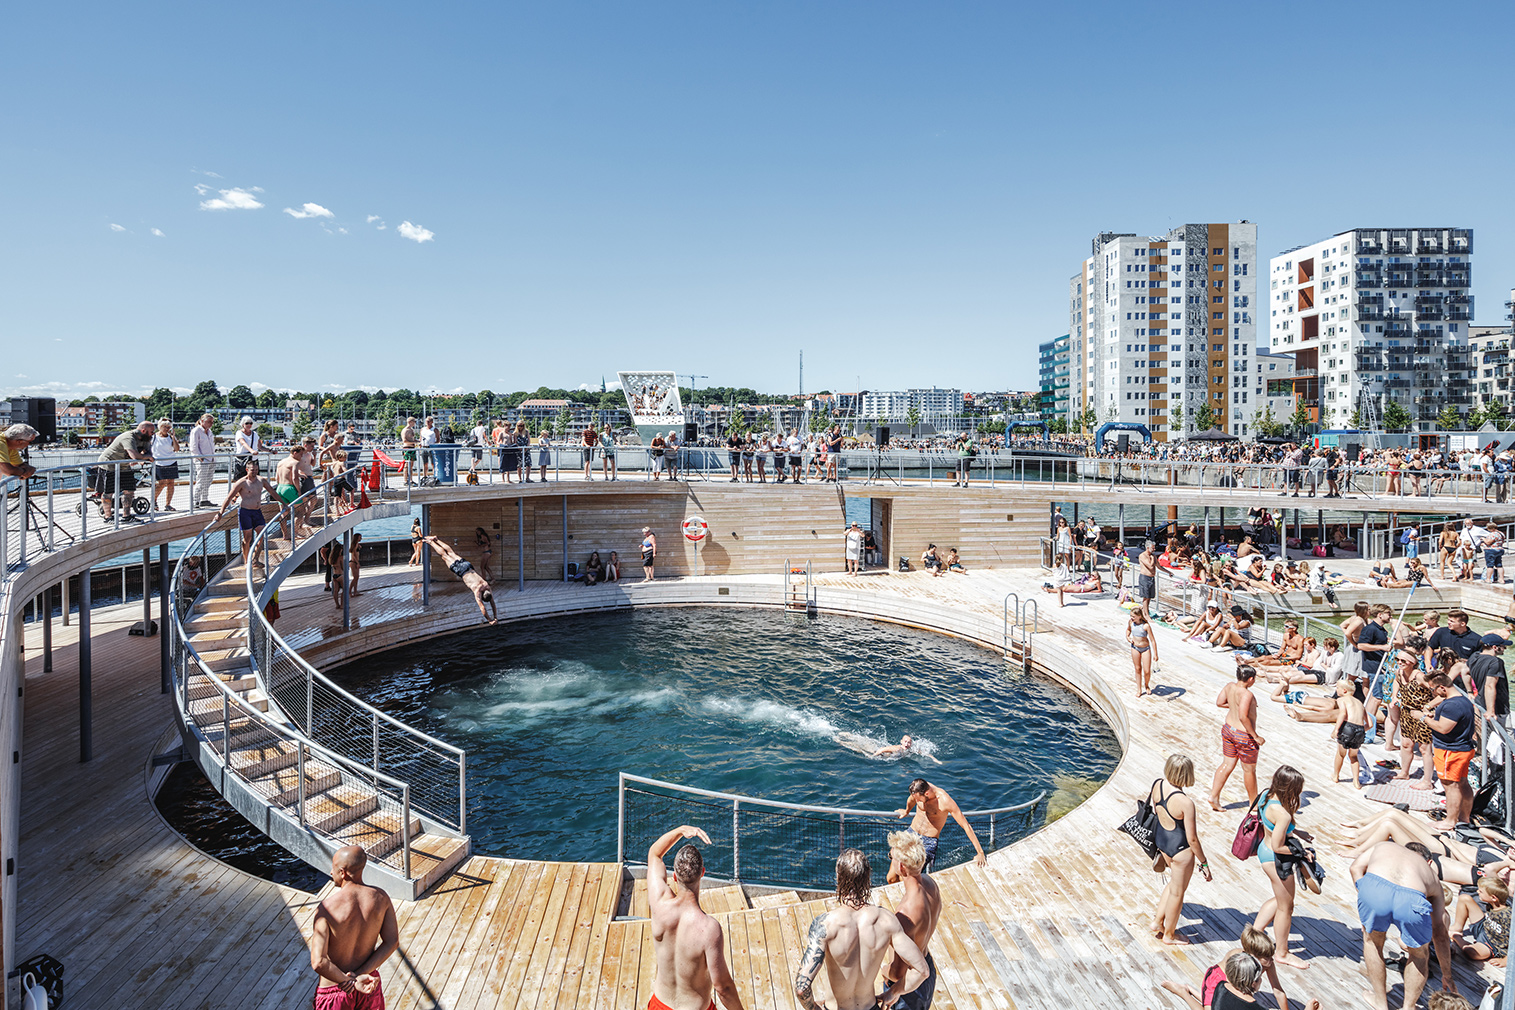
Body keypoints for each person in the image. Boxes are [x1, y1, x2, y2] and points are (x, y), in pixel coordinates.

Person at [793, 849, 927, 1010]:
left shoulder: (825, 925)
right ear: (868, 878)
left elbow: (802, 989)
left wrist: (814, 1008)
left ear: (838, 877)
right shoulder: (886, 920)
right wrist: (894, 991)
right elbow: (922, 971)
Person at [645, 824, 745, 1010]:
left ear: (674, 876)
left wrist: (680, 830)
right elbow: (723, 988)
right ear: (702, 873)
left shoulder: (659, 904)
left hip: (660, 1005)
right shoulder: (708, 929)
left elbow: (655, 855)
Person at [1351, 841, 1455, 1010]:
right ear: (1430, 862)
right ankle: (1408, 1007)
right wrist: (1447, 975)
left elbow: (1355, 868)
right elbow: (1440, 933)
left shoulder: (1384, 845)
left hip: (1375, 888)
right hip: (1412, 897)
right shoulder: (1431, 875)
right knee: (1420, 955)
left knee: (1373, 943)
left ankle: (1380, 1002)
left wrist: (1364, 893)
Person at [307, 846, 398, 1010]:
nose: (330, 872)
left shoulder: (326, 909)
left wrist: (347, 981)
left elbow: (318, 962)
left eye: (333, 868)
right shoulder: (381, 898)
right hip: (368, 983)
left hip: (335, 989)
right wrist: (359, 976)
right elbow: (392, 942)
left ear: (342, 872)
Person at [1148, 754, 1213, 946]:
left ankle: (1157, 921)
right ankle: (1169, 934)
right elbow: (1192, 839)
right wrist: (1204, 862)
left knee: (1173, 884)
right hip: (1180, 850)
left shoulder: (1157, 785)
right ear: (1187, 774)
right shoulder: (1185, 803)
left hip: (1163, 841)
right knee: (1178, 892)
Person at [1252, 764, 1311, 969]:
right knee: (1286, 906)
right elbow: (1278, 846)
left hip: (1263, 850)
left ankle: (1256, 932)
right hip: (1275, 859)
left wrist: (1296, 832)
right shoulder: (1283, 814)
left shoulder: (1266, 795)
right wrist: (1302, 852)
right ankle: (1282, 953)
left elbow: (1271, 826)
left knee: (1281, 899)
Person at [1162, 928, 1299, 1010]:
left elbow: (1278, 991)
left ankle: (1198, 995)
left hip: (1238, 986)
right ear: (1252, 955)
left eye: (1271, 956)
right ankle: (1183, 992)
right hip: (1219, 981)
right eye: (1267, 957)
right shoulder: (1237, 957)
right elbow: (1229, 990)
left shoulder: (1268, 962)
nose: (1271, 960)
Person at [880, 830, 941, 1010]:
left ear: (901, 867)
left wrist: (883, 970)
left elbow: (898, 973)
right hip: (927, 970)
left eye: (891, 856)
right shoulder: (931, 885)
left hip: (907, 986)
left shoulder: (904, 914)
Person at [891, 778, 986, 873]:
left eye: (918, 799)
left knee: (906, 874)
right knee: (891, 878)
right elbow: (911, 799)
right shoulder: (918, 789)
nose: (916, 800)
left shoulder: (945, 801)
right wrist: (906, 811)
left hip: (927, 842)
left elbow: (965, 825)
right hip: (911, 833)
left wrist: (980, 852)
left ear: (927, 794)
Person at [1421, 672, 1478, 824]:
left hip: (1450, 751)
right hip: (1463, 748)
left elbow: (1443, 728)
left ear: (1442, 688)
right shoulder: (1463, 700)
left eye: (1433, 690)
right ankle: (1464, 818)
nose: (1432, 693)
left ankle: (1450, 821)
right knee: (1462, 783)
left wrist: (1423, 718)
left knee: (1450, 785)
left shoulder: (1451, 705)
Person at [1209, 666, 1264, 810]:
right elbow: (1243, 717)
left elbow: (1220, 703)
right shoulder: (1247, 694)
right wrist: (1255, 736)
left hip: (1228, 729)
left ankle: (1213, 796)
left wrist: (1234, 706)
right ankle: (1254, 803)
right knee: (1249, 770)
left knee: (1227, 764)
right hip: (1242, 735)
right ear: (1251, 679)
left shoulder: (1229, 686)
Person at [213, 459, 277, 569]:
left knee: (261, 535)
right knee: (247, 538)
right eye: (252, 470)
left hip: (257, 512)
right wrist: (220, 513)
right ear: (247, 470)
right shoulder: (242, 482)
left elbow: (272, 491)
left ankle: (255, 559)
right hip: (245, 512)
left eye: (256, 470)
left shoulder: (261, 480)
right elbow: (229, 497)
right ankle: (247, 560)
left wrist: (283, 503)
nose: (255, 472)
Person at [422, 535, 498, 624]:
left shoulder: (486, 585)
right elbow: (482, 608)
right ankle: (431, 542)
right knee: (444, 556)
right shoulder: (477, 590)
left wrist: (496, 616)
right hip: (461, 571)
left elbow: (493, 603)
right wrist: (489, 620)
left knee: (451, 552)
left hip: (468, 567)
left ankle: (436, 539)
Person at [95, 419, 154, 521]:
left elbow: (148, 453)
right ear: (144, 430)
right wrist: (142, 457)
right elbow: (135, 455)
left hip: (124, 465)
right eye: (151, 431)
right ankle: (108, 517)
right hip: (109, 464)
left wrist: (143, 457)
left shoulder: (146, 439)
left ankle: (126, 516)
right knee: (108, 491)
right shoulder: (129, 437)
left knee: (129, 490)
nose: (153, 434)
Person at [1451, 875, 1511, 963]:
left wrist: (1506, 960)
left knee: (1470, 952)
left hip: (1492, 944)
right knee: (1464, 898)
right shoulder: (1491, 904)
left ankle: (1457, 937)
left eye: (1481, 891)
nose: (1477, 891)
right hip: (1484, 927)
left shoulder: (1507, 917)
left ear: (1493, 898)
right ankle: (1457, 928)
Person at [1332, 678, 1370, 789]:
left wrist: (1336, 729)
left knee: (1341, 754)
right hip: (1359, 730)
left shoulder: (1341, 700)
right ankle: (1356, 781)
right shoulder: (1359, 703)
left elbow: (1343, 713)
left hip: (1347, 727)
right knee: (1353, 757)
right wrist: (1361, 730)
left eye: (1337, 687)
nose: (1336, 689)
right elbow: (1370, 724)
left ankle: (1336, 775)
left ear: (1344, 690)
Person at [149, 419, 181, 510]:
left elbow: (176, 449)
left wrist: (173, 437)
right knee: (162, 483)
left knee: (171, 483)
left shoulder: (170, 438)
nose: (166, 429)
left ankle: (168, 504)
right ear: (160, 427)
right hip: (159, 462)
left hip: (171, 462)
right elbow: (147, 447)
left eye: (168, 427)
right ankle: (153, 500)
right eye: (164, 427)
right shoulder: (154, 437)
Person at [188, 413, 217, 508]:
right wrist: (199, 457)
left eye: (212, 422)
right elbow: (193, 446)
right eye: (209, 422)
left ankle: (204, 499)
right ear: (202, 421)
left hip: (211, 459)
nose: (211, 424)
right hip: (202, 460)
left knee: (208, 480)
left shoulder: (209, 431)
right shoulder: (196, 431)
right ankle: (195, 500)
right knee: (200, 480)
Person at [1128, 607, 1158, 698]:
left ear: (1139, 616)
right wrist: (1128, 637)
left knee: (1147, 671)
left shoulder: (1146, 626)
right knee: (1137, 668)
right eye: (1131, 616)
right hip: (1135, 648)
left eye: (1133, 616)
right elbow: (1128, 630)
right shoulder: (1130, 623)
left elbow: (1153, 640)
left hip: (1145, 649)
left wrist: (1156, 654)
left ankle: (1146, 685)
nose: (1131, 618)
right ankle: (1139, 689)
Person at [1137, 539, 1158, 606]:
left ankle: (1146, 611)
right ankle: (1145, 614)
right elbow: (1150, 566)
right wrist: (1152, 558)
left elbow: (1158, 566)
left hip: (1151, 578)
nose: (1154, 549)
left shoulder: (1153, 556)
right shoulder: (1142, 555)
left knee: (1149, 597)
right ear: (1148, 548)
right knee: (1145, 597)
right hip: (1145, 578)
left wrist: (1168, 572)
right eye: (1153, 548)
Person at [400, 416, 419, 485]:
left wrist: (417, 441)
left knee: (411, 465)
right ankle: (405, 480)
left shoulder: (411, 430)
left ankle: (410, 480)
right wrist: (414, 442)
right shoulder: (405, 430)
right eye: (414, 421)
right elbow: (405, 440)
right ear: (410, 422)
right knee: (407, 465)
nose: (415, 423)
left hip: (412, 448)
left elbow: (411, 439)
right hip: (407, 448)